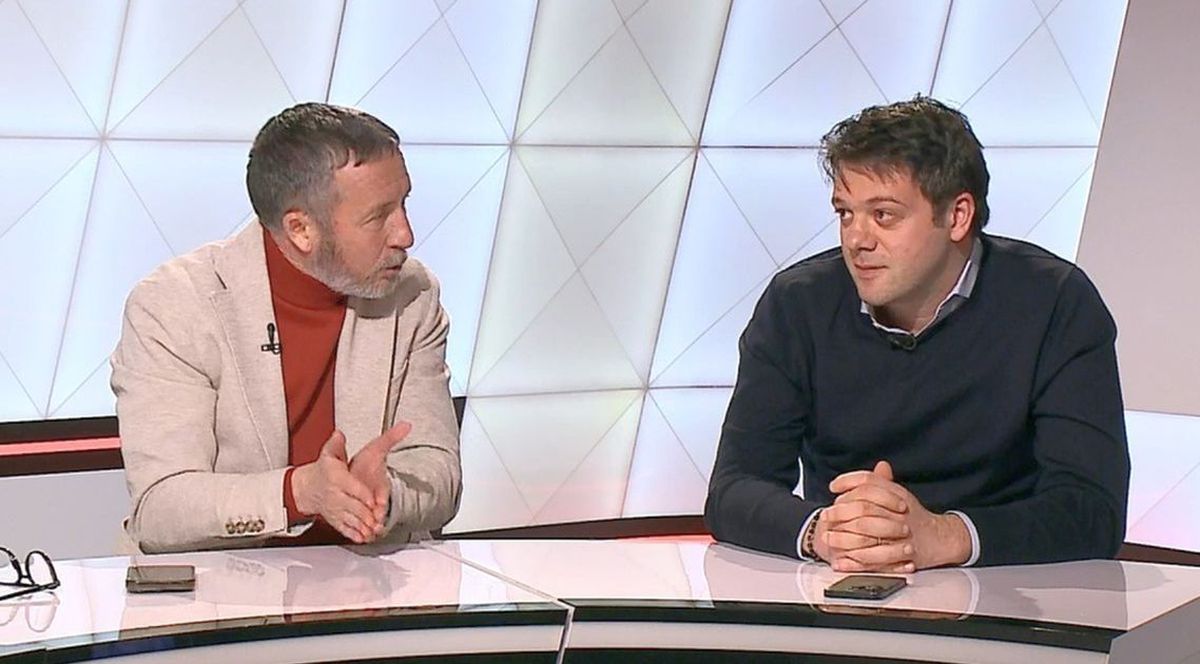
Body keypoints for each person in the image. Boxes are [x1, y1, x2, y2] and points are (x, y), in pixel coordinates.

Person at [704, 96, 1129, 570]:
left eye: (883, 215)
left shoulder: (1055, 302)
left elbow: (1091, 509)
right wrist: (825, 530)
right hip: (845, 582)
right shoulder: (797, 304)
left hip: (1005, 589)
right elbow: (732, 489)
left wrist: (945, 537)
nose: (857, 239)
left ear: (957, 216)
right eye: (845, 213)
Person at [112, 103, 461, 554]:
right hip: (223, 584)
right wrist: (299, 493)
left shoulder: (413, 295)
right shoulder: (173, 305)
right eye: (378, 217)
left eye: (404, 204)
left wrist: (386, 495)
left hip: (371, 578)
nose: (405, 235)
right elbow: (162, 508)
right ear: (300, 229)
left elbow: (439, 472)